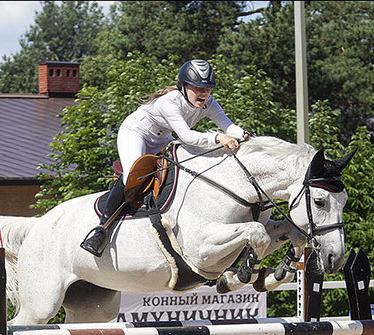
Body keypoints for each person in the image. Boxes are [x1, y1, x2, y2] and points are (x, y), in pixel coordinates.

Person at [80, 59, 251, 256]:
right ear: (183, 86)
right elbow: (186, 136)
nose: (203, 93)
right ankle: (101, 229)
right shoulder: (170, 101)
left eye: (207, 88)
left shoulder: (209, 104)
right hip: (137, 133)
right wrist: (218, 138)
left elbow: (228, 125)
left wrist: (244, 134)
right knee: (132, 175)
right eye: (197, 88)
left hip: (163, 138)